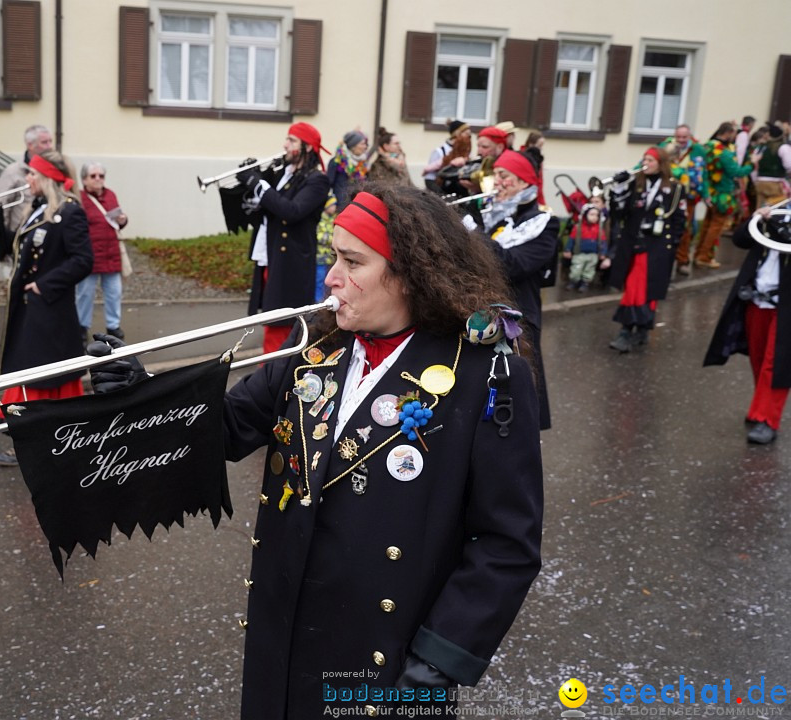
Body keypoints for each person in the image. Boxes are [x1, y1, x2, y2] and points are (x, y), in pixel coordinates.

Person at [89, 183, 543, 718]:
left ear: (411, 272)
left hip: (389, 658)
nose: (331, 277)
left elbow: (507, 542)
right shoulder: (315, 354)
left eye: (353, 261)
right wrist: (145, 395)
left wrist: (439, 661)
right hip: (284, 635)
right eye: (333, 257)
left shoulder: (485, 373)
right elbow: (227, 428)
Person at [0, 150, 93, 467]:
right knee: (29, 374)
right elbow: (16, 244)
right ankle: (37, 439)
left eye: (33, 174)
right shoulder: (38, 210)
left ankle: (30, 442)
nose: (27, 180)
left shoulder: (70, 212)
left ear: (47, 177)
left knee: (40, 380)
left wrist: (44, 285)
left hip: (50, 310)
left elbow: (83, 261)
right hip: (30, 310)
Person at [469, 149, 558, 429]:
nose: (497, 182)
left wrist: (472, 231)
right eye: (496, 175)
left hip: (518, 321)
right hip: (483, 310)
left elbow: (512, 266)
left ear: (523, 183)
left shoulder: (544, 224)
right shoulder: (495, 215)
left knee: (515, 395)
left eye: (504, 176)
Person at [237, 122, 331, 356]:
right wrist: (252, 194)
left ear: (307, 148)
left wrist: (257, 184)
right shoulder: (285, 174)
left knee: (281, 325)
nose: (285, 145)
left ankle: (272, 376)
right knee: (272, 322)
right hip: (271, 256)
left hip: (292, 262)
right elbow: (273, 209)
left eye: (291, 140)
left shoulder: (316, 179)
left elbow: (292, 211)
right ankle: (270, 374)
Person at [704, 207, 791, 445]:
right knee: (759, 357)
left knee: (778, 362)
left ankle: (767, 419)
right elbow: (741, 240)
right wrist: (756, 217)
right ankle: (760, 408)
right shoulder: (776, 210)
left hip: (785, 305)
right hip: (756, 298)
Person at [605, 147, 687, 353]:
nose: (646, 163)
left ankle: (634, 329)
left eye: (651, 160)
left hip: (657, 248)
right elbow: (618, 213)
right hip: (634, 245)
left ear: (661, 163)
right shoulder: (635, 184)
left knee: (646, 290)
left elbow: (679, 220)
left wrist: (671, 247)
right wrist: (620, 186)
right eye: (644, 159)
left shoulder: (675, 189)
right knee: (635, 288)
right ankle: (633, 328)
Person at [695, 122, 761, 270]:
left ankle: (699, 254)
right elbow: (736, 172)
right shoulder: (723, 152)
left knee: (708, 224)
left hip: (710, 192)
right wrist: (752, 164)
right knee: (716, 227)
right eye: (734, 134)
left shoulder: (708, 146)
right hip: (722, 194)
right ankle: (704, 257)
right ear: (728, 133)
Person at [76, 161, 128, 342]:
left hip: (111, 253)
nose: (98, 179)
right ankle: (82, 327)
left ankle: (113, 327)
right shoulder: (78, 198)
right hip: (89, 255)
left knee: (114, 292)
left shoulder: (111, 194)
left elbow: (118, 221)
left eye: (101, 176)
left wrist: (123, 220)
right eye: (93, 176)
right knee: (84, 294)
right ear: (84, 179)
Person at [661, 124, 709, 276]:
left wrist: (706, 194)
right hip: (666, 193)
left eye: (684, 137)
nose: (681, 140)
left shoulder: (698, 150)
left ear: (690, 136)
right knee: (664, 226)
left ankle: (682, 261)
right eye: (678, 137)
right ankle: (663, 259)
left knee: (685, 228)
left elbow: (704, 173)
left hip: (688, 195)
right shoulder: (665, 146)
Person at [0, 125, 55, 234]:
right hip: (20, 235)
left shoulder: (55, 169)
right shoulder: (13, 172)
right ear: (30, 145)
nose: (49, 146)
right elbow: (0, 208)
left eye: (50, 141)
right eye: (44, 142)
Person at [563, 204, 608, 292]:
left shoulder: (599, 229)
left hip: (593, 255)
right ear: (585, 215)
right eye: (592, 214)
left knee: (589, 270)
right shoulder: (578, 228)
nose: (594, 217)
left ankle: (585, 282)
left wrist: (603, 253)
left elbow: (603, 242)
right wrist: (567, 250)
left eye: (597, 215)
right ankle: (574, 281)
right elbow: (571, 240)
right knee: (576, 268)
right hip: (579, 253)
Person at [422, 120, 470, 194]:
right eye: (466, 134)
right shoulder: (440, 151)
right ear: (457, 134)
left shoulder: (465, 152)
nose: (469, 137)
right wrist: (441, 195)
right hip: (441, 193)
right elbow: (429, 178)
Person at [325, 129, 369, 209]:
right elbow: (326, 184)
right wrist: (330, 202)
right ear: (353, 146)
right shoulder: (337, 161)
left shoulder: (363, 164)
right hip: (339, 207)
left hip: (356, 206)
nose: (365, 147)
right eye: (362, 144)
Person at [753, 122, 791, 208]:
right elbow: (789, 166)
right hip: (775, 184)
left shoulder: (760, 147)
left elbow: (754, 166)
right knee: (776, 211)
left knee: (760, 210)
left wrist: (756, 180)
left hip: (760, 183)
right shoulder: (783, 147)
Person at [314, 193, 337, 301]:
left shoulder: (334, 219)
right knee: (320, 281)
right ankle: (318, 302)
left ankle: (325, 300)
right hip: (320, 258)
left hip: (329, 258)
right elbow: (319, 236)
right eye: (332, 204)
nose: (334, 207)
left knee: (327, 282)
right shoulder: (320, 220)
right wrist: (332, 239)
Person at [519, 131, 546, 206]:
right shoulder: (522, 157)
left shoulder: (538, 158)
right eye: (539, 145)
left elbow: (540, 181)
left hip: (537, 194)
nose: (541, 148)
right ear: (531, 144)